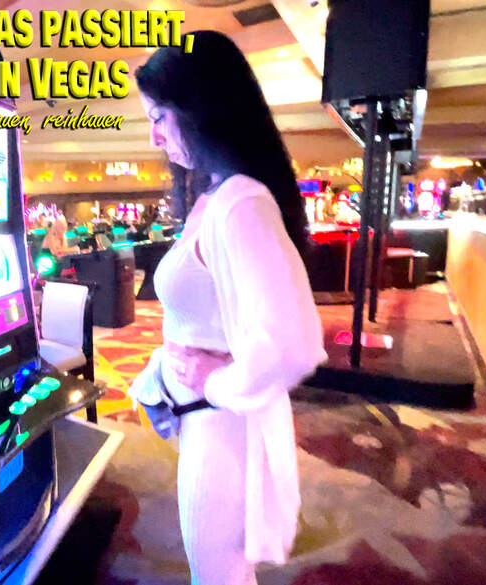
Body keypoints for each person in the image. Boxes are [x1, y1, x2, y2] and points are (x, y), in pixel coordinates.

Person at [129, 31, 328, 585]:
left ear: (201, 106)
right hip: (206, 422)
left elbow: (293, 344)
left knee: (218, 577)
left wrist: (217, 380)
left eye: (159, 117)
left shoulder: (241, 201)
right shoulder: (214, 196)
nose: (154, 136)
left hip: (223, 428)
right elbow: (205, 321)